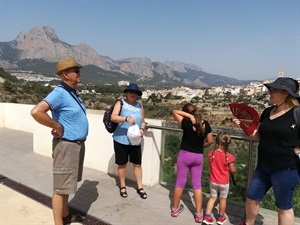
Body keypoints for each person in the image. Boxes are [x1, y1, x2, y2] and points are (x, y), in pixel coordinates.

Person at [234, 77, 300, 225]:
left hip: (286, 169)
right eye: (270, 89)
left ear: (285, 93)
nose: (270, 92)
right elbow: (258, 137)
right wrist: (244, 126)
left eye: (273, 90)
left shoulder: (297, 114)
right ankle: (249, 223)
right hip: (264, 166)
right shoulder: (268, 112)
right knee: (251, 198)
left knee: (283, 207)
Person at [31, 58, 88, 225]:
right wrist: (56, 125)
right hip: (66, 146)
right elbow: (36, 112)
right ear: (65, 74)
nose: (79, 73)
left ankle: (66, 214)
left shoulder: (70, 92)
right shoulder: (60, 93)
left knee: (66, 186)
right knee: (60, 188)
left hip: (75, 145)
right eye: (76, 71)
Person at [171, 103, 213, 223]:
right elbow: (210, 141)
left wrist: (189, 117)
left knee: (180, 183)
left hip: (184, 155)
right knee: (197, 185)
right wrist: (200, 146)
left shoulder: (186, 122)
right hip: (198, 156)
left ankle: (175, 209)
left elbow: (175, 111)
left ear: (186, 113)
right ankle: (199, 214)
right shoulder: (206, 124)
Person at [111, 83, 147, 199]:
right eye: (130, 91)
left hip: (135, 140)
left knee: (137, 164)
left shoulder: (140, 106)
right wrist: (126, 119)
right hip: (120, 140)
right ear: (126, 92)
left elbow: (143, 121)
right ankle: (122, 186)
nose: (132, 94)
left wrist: (142, 128)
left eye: (135, 92)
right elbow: (113, 117)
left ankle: (140, 187)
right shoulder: (120, 103)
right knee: (122, 165)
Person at [203, 131, 236, 225]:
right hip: (224, 182)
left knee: (212, 197)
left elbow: (211, 165)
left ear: (216, 141)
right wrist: (234, 169)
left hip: (213, 180)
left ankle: (207, 217)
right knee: (223, 199)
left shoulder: (211, 154)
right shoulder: (229, 157)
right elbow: (232, 170)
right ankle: (221, 218)